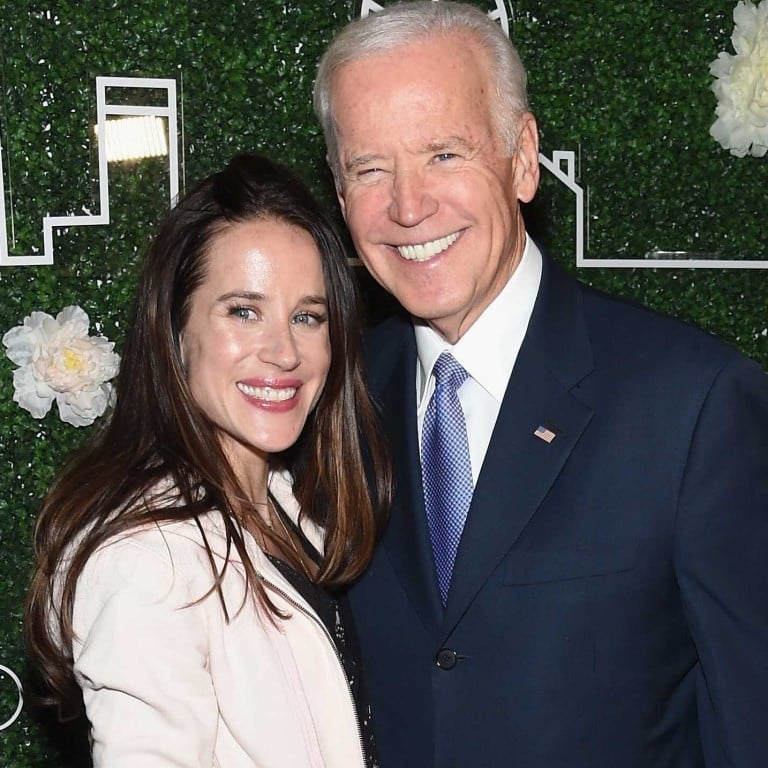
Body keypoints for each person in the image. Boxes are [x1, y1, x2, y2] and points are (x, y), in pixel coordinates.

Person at [312, 3, 768, 766]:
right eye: (370, 168)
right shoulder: (331, 400)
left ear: (522, 158)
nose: (408, 206)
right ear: (338, 187)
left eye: (443, 155)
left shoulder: (694, 405)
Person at [25, 152, 390, 767]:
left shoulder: (286, 505)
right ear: (176, 330)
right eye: (243, 311)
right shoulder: (146, 562)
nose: (283, 352)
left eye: (307, 316)